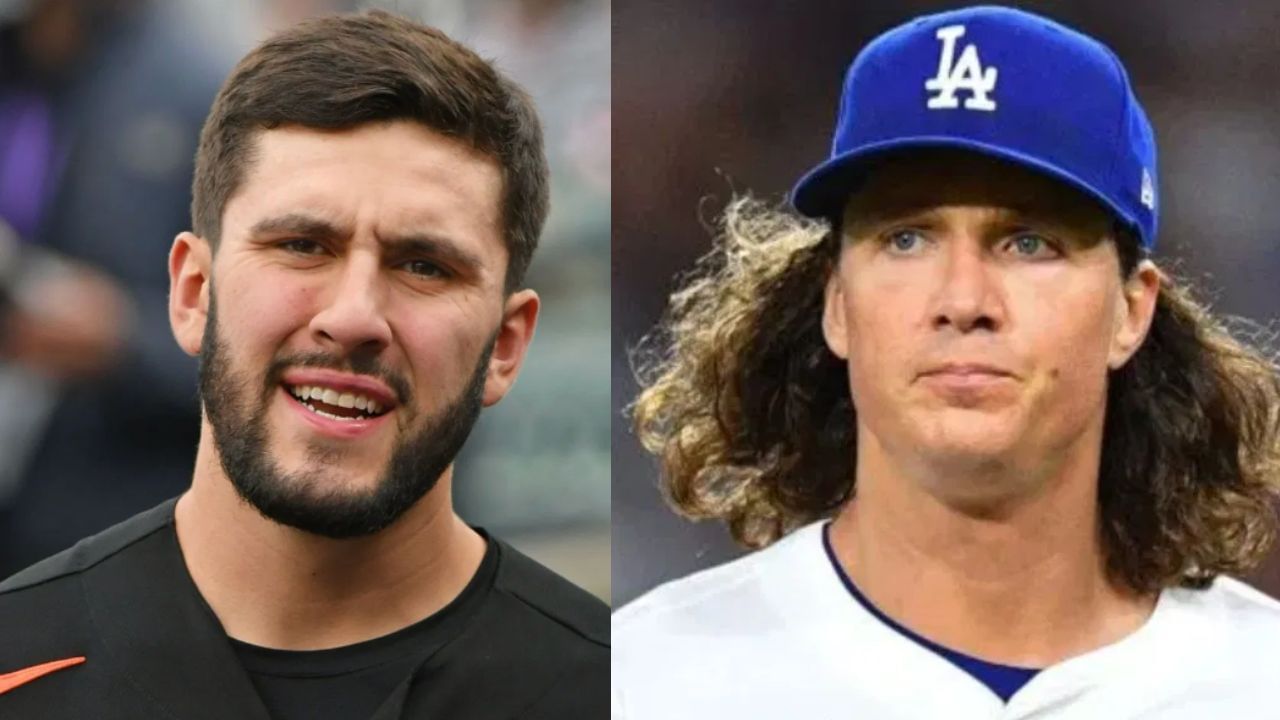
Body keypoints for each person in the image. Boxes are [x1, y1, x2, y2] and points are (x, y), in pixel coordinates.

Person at [614, 6, 1280, 718]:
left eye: (1029, 243)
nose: (964, 300)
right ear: (836, 303)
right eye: (907, 238)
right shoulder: (647, 680)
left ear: (1132, 311)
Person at [0, 10, 607, 719]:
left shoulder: (614, 689)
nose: (352, 316)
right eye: (302, 245)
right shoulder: (22, 657)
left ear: (507, 345)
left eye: (424, 266)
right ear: (194, 292)